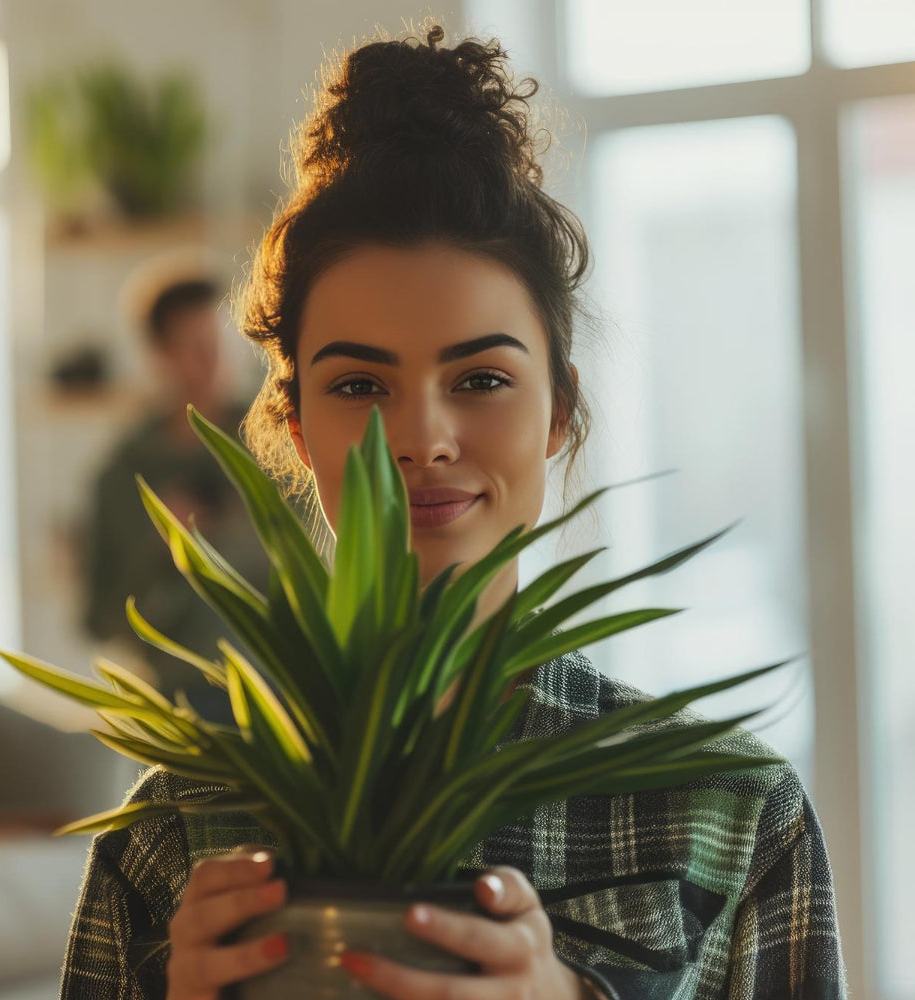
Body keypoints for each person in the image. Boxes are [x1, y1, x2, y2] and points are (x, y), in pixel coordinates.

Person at [59, 26, 848, 1000]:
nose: (422, 437)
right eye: (357, 384)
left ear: (558, 408)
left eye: (479, 376)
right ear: (295, 424)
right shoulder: (172, 837)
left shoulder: (732, 815)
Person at [83, 277, 269, 723]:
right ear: (159, 354)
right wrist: (161, 554)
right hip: (179, 705)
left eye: (221, 342)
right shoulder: (123, 477)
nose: (214, 361)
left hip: (282, 690)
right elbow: (101, 619)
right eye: (195, 346)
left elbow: (319, 564)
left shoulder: (277, 448)